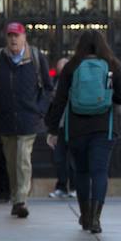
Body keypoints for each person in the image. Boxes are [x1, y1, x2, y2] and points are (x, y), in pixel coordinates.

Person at [45, 30, 121, 233]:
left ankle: (84, 215)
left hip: (76, 129)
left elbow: (60, 100)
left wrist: (53, 129)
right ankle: (96, 218)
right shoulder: (111, 66)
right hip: (104, 128)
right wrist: (107, 98)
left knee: (81, 172)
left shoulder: (72, 67)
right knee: (99, 172)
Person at [0, 22, 52, 219]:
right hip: (6, 120)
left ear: (24, 37)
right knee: (11, 162)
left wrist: (40, 109)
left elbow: (48, 88)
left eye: (17, 35)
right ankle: (16, 198)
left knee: (22, 158)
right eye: (10, 35)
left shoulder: (36, 57)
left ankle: (21, 199)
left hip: (29, 118)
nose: (13, 39)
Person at [48, 57, 77, 199]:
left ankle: (74, 187)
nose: (61, 71)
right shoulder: (56, 83)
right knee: (59, 158)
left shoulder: (76, 80)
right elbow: (54, 105)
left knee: (73, 159)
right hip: (60, 126)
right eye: (59, 69)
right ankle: (61, 187)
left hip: (72, 126)